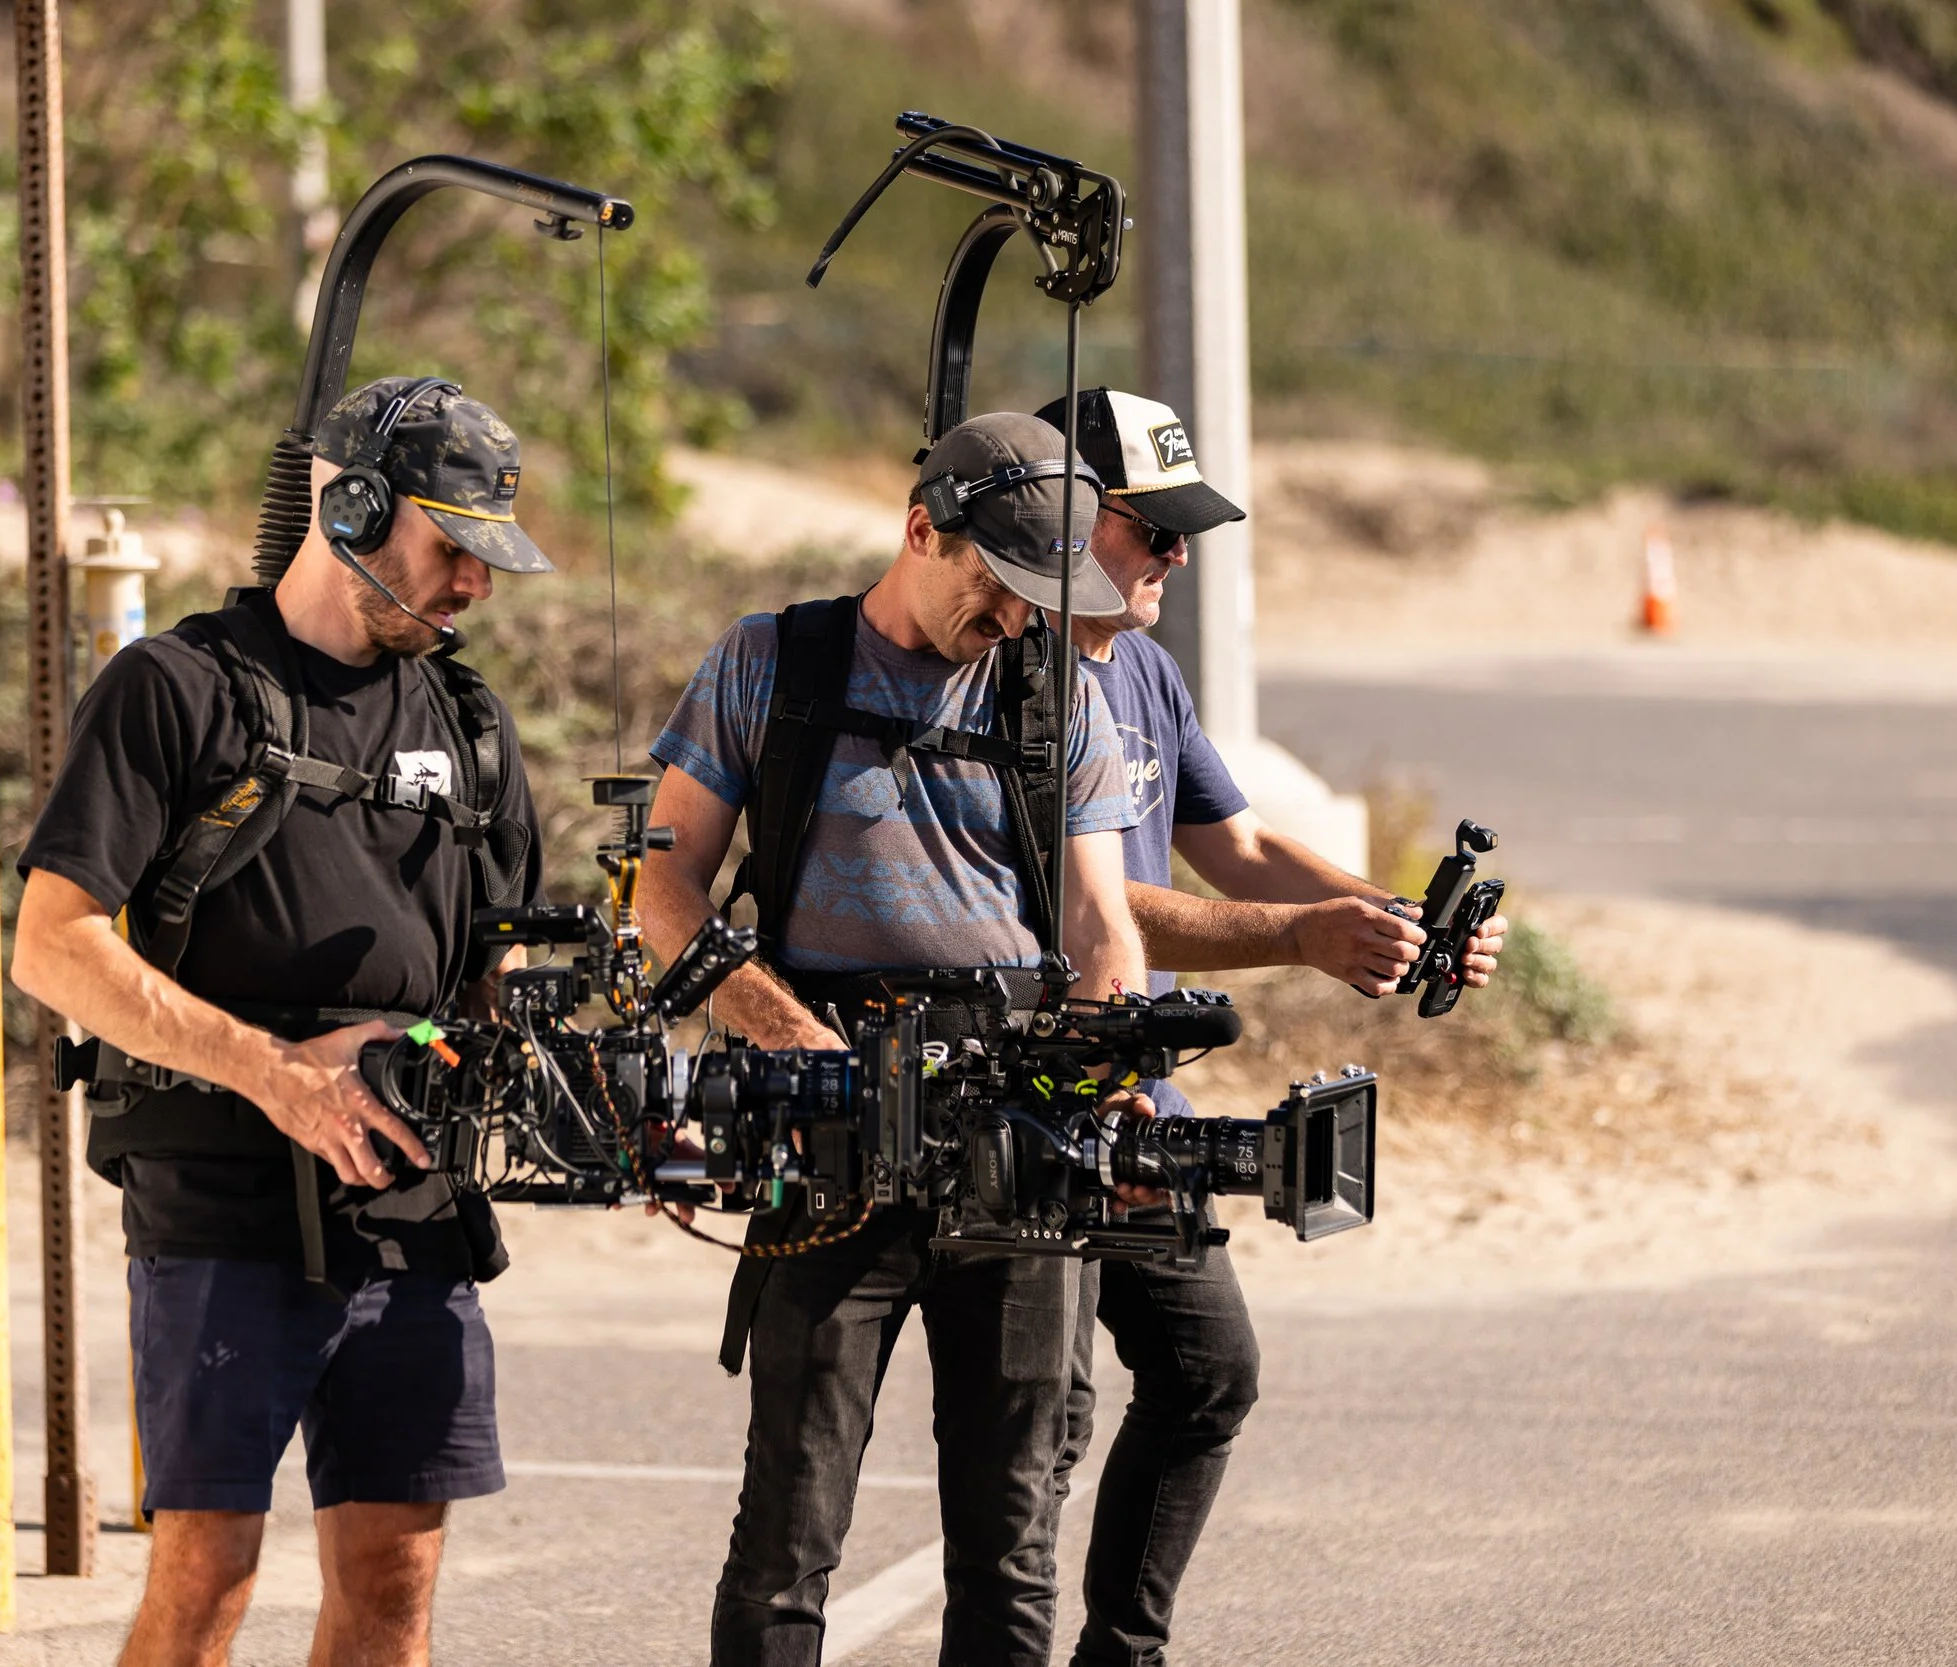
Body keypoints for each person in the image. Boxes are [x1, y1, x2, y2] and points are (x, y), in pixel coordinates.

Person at [10, 375, 552, 1667]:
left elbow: (500, 953)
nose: (476, 585)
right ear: (352, 505)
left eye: (491, 559)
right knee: (207, 1575)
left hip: (408, 1198)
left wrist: (532, 1048)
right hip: (223, 1197)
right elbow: (53, 944)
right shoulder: (178, 686)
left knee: (395, 1576)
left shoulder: (471, 725)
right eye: (453, 548)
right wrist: (274, 1072)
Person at [635, 411, 1151, 1667]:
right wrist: (803, 1045)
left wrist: (1117, 1064)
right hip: (827, 1139)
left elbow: (1100, 920)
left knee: (1011, 1539)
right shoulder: (771, 662)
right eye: (1002, 585)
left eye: (1045, 594)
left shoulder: (1060, 695)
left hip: (1016, 1134)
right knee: (787, 1537)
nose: (1022, 619)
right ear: (922, 529)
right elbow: (661, 895)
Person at [1032, 385, 1509, 1667]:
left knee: (1203, 1371)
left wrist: (1393, 914)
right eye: (1154, 530)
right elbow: (1087, 904)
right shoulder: (1005, 679)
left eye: (1185, 532)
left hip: (1138, 1097)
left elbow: (1234, 849)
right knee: (1042, 1420)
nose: (1176, 559)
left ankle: (1120, 1655)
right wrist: (1304, 937)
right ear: (1061, 515)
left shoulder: (1140, 666)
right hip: (1027, 1086)